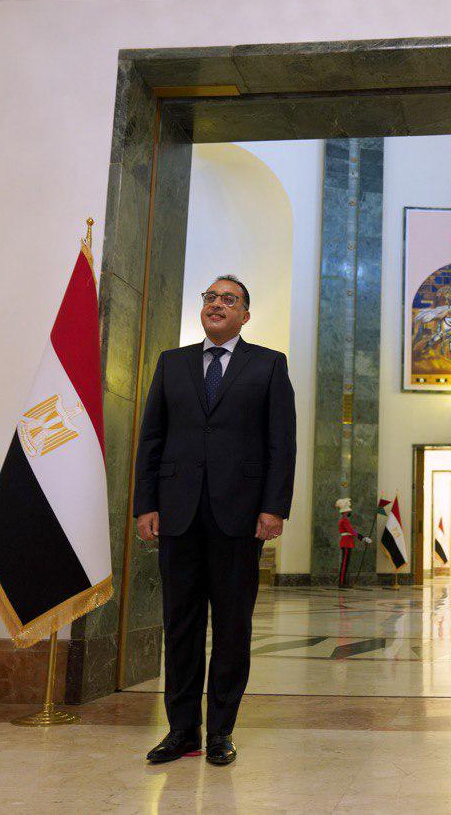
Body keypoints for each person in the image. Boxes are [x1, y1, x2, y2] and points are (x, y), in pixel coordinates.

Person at [133, 274, 296, 766]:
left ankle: (221, 730)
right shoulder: (172, 363)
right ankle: (182, 730)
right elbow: (151, 437)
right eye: (210, 298)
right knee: (180, 625)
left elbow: (281, 443)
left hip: (239, 517)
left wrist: (273, 507)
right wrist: (146, 504)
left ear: (245, 315)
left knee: (231, 627)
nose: (217, 304)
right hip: (177, 513)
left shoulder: (268, 364)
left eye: (228, 299)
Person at [335, 497, 357, 587]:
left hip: (347, 542)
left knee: (345, 563)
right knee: (344, 564)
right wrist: (362, 537)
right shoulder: (345, 520)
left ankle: (343, 581)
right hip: (346, 543)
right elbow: (351, 531)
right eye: (348, 511)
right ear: (345, 512)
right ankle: (341, 582)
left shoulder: (344, 520)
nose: (349, 512)